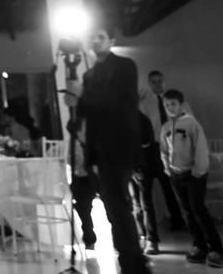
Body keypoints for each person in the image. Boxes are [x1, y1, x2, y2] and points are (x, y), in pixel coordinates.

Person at [66, 25, 149, 274]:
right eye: (92, 37)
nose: (95, 41)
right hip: (98, 150)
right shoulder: (90, 75)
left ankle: (134, 264)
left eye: (101, 37)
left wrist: (83, 97)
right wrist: (75, 106)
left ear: (111, 40)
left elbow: (118, 102)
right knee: (113, 208)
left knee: (119, 206)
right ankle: (129, 261)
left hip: (120, 144)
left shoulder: (125, 66)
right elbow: (87, 112)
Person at [160, 88, 223, 268]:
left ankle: (217, 250)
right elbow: (164, 151)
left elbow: (201, 148)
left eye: (173, 104)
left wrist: (198, 170)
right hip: (176, 174)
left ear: (181, 105)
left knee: (198, 210)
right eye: (167, 105)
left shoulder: (191, 124)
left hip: (193, 174)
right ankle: (199, 245)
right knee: (187, 211)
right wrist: (168, 168)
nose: (170, 107)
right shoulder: (166, 128)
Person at [139, 69, 185, 231]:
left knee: (172, 186)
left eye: (160, 81)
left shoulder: (173, 101)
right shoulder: (145, 103)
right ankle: (152, 228)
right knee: (151, 188)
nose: (157, 85)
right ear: (149, 84)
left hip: (172, 146)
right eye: (154, 82)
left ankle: (179, 219)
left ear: (164, 82)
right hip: (153, 147)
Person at [130, 111, 161, 254]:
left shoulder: (140, 118)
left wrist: (138, 166)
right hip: (129, 167)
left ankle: (152, 239)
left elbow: (146, 142)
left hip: (143, 165)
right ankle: (142, 236)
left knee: (145, 203)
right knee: (136, 203)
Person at [69, 119, 97, 250]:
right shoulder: (73, 144)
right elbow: (72, 162)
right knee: (83, 208)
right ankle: (89, 236)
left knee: (85, 207)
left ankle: (89, 235)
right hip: (81, 177)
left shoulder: (91, 141)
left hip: (91, 176)